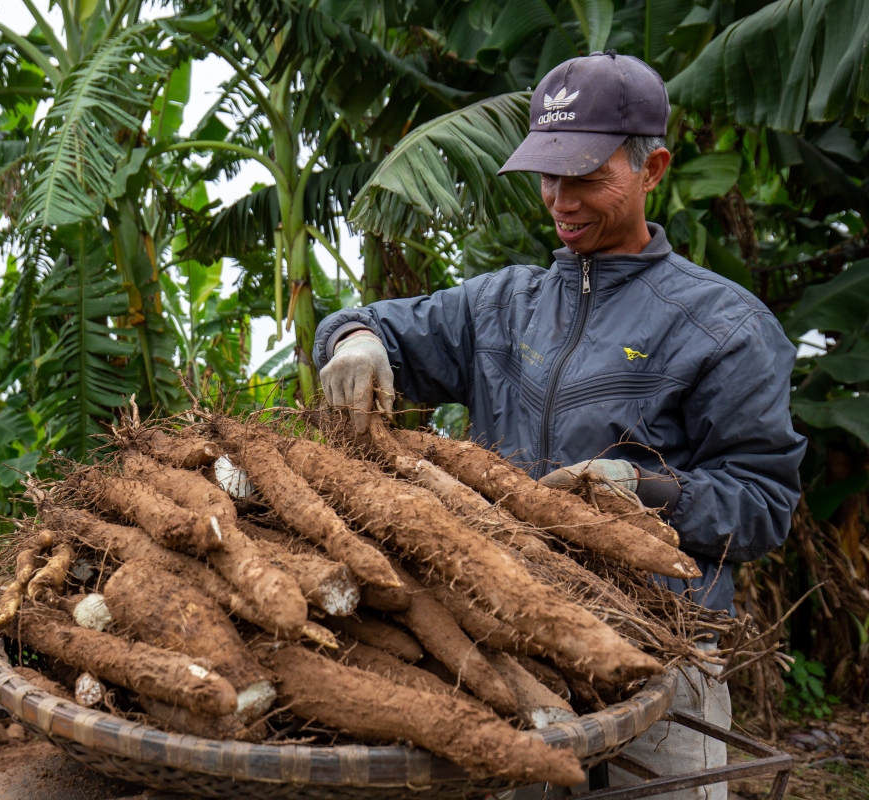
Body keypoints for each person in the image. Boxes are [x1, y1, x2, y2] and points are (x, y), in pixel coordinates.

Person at [315, 53, 805, 799]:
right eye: (549, 175)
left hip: (659, 660)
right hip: (514, 653)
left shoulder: (725, 327)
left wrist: (643, 493)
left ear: (654, 168)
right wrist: (354, 339)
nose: (560, 200)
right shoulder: (501, 305)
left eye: (585, 177)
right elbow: (378, 323)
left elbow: (763, 505)